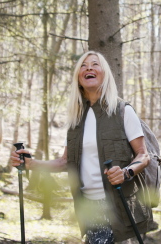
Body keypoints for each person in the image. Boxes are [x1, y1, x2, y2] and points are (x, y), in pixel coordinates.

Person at [9, 51, 151, 243]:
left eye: (95, 64)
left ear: (105, 73)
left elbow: (143, 155)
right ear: (78, 76)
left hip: (118, 207)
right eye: (83, 65)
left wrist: (126, 172)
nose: (89, 68)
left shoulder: (122, 111)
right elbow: (65, 162)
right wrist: (31, 163)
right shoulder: (76, 119)